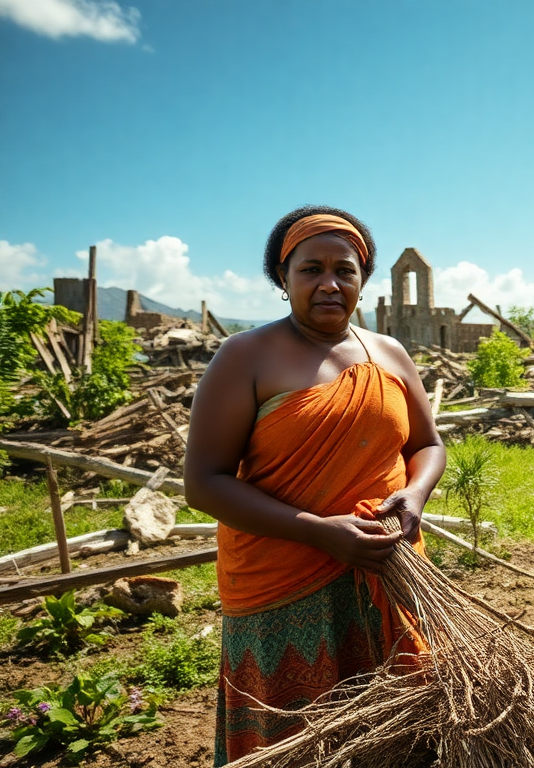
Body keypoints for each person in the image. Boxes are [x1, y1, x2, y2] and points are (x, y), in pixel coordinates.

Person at [184, 206, 446, 765]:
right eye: (310, 270)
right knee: (291, 742)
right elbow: (204, 482)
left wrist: (415, 493)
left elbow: (427, 445)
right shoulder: (245, 357)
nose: (329, 283)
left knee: (395, 732)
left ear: (363, 279)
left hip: (386, 571)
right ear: (283, 279)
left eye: (344, 270)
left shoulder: (389, 354)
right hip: (281, 584)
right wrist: (317, 532)